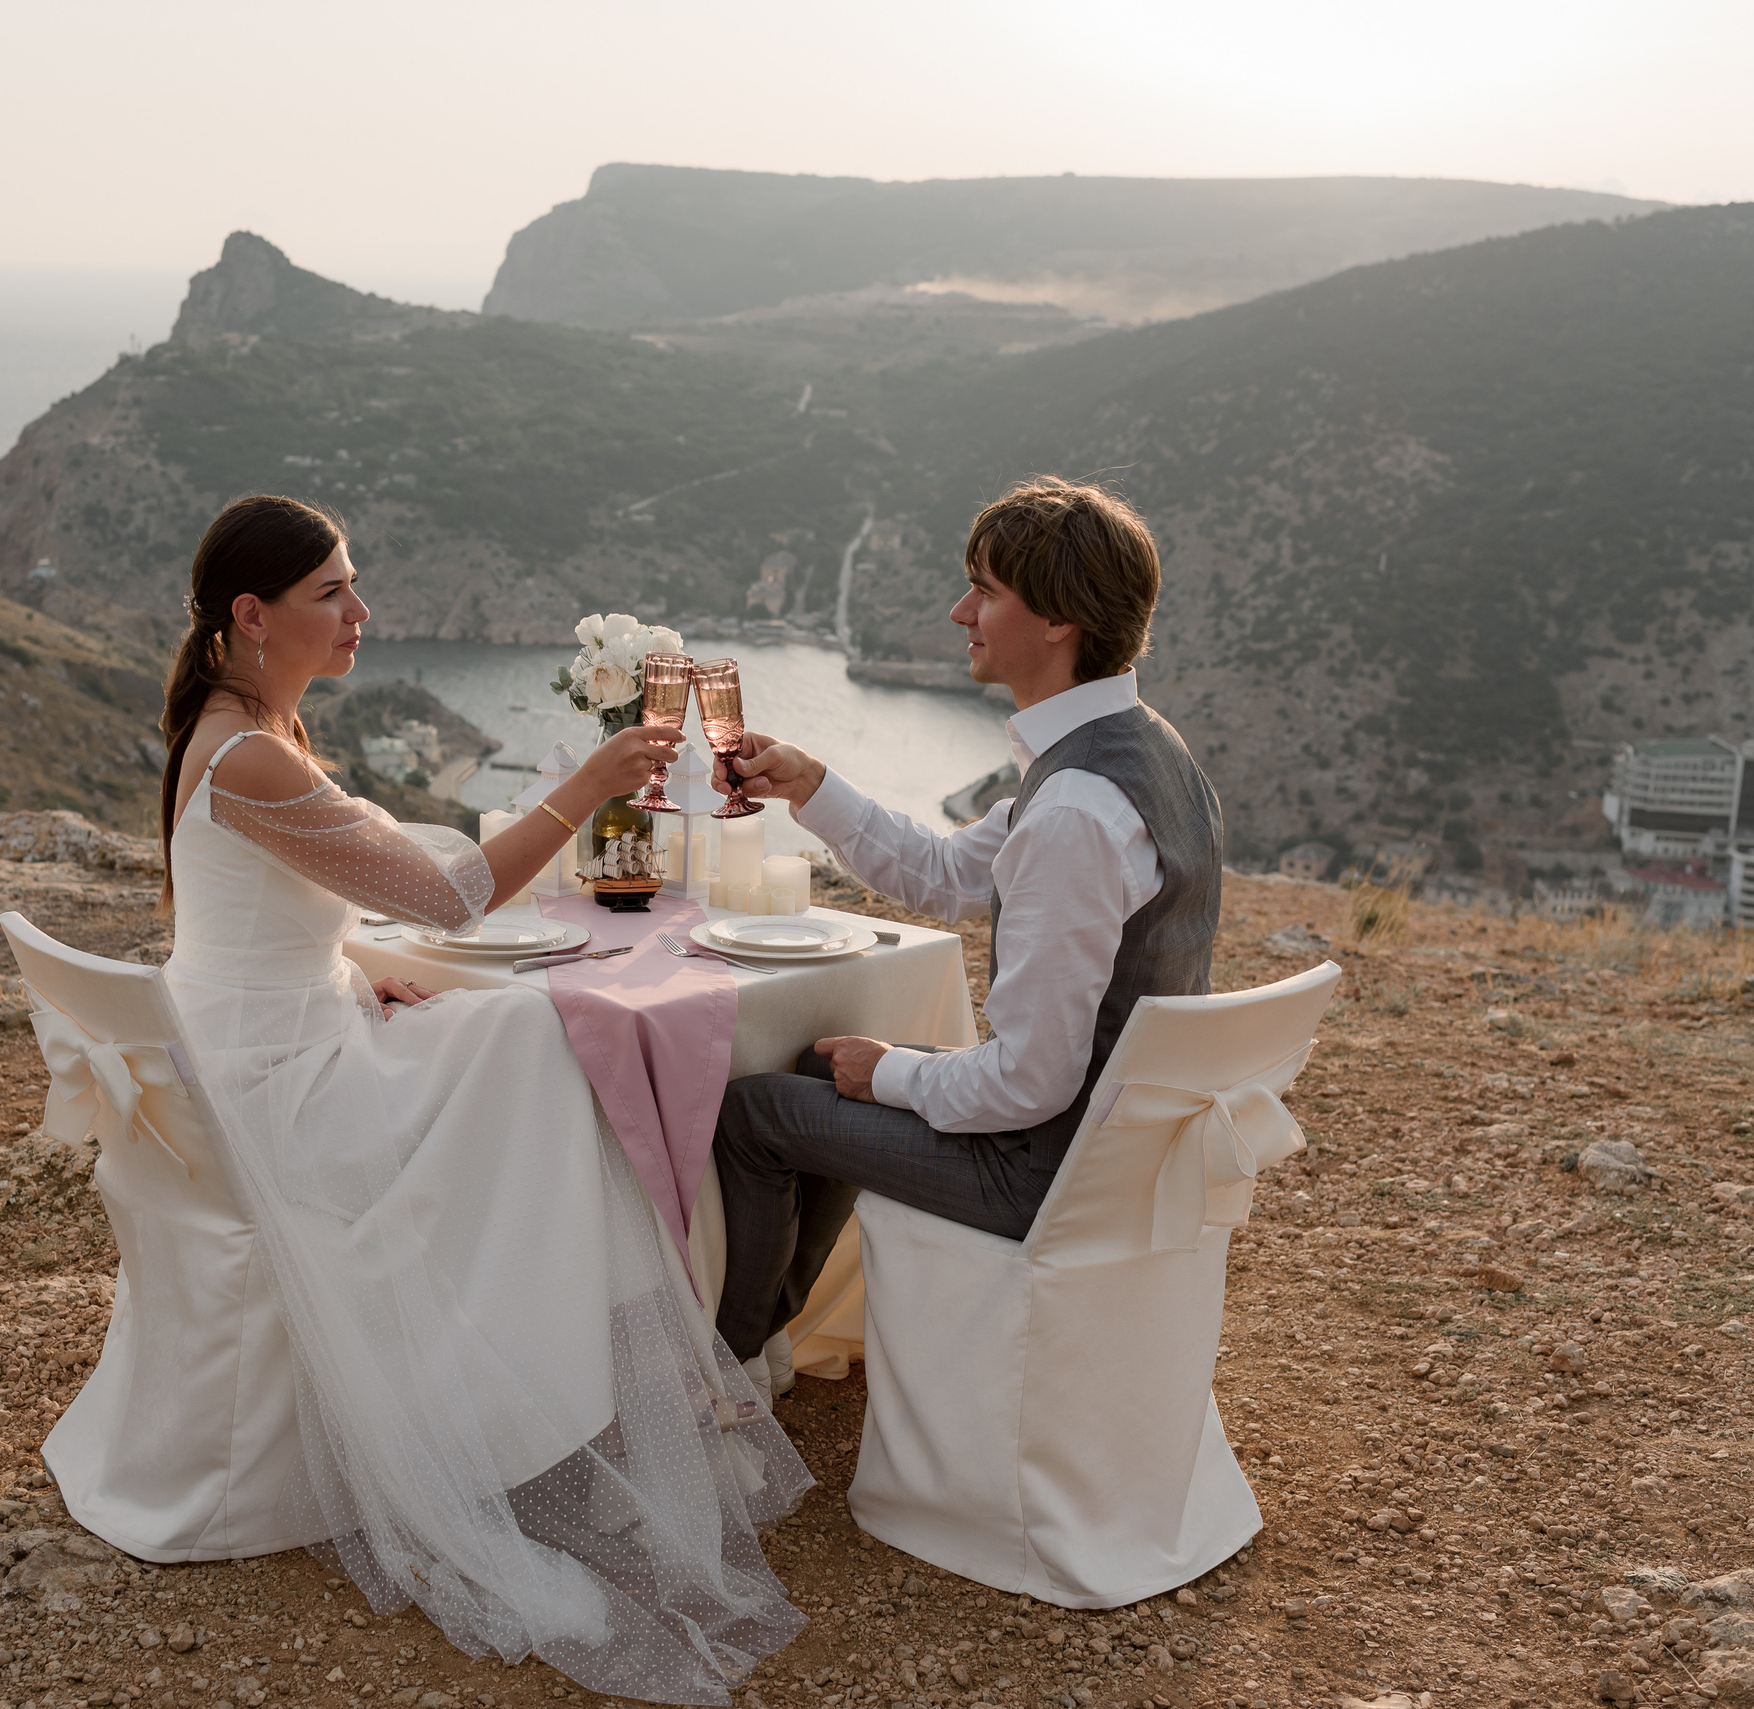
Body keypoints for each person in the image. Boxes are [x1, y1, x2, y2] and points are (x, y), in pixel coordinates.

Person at [154, 495, 808, 1702]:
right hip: (287, 1090)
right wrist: (592, 781)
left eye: (354, 584)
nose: (361, 610)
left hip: (286, 1036)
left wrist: (351, 968)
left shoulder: (245, 726)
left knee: (517, 1030)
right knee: (541, 1038)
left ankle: (566, 1385)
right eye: (332, 592)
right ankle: (537, 1408)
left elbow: (244, 918)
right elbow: (449, 899)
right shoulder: (246, 752)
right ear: (252, 615)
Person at [707, 477, 1223, 1394]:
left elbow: (1030, 1081)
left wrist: (889, 1074)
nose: (960, 612)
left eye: (985, 590)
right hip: (1114, 1143)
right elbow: (947, 873)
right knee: (817, 1070)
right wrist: (810, 784)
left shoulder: (1074, 810)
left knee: (753, 1114)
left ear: (1059, 619)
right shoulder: (1142, 749)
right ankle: (765, 1341)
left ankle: (724, 1371)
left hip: (1047, 1171)